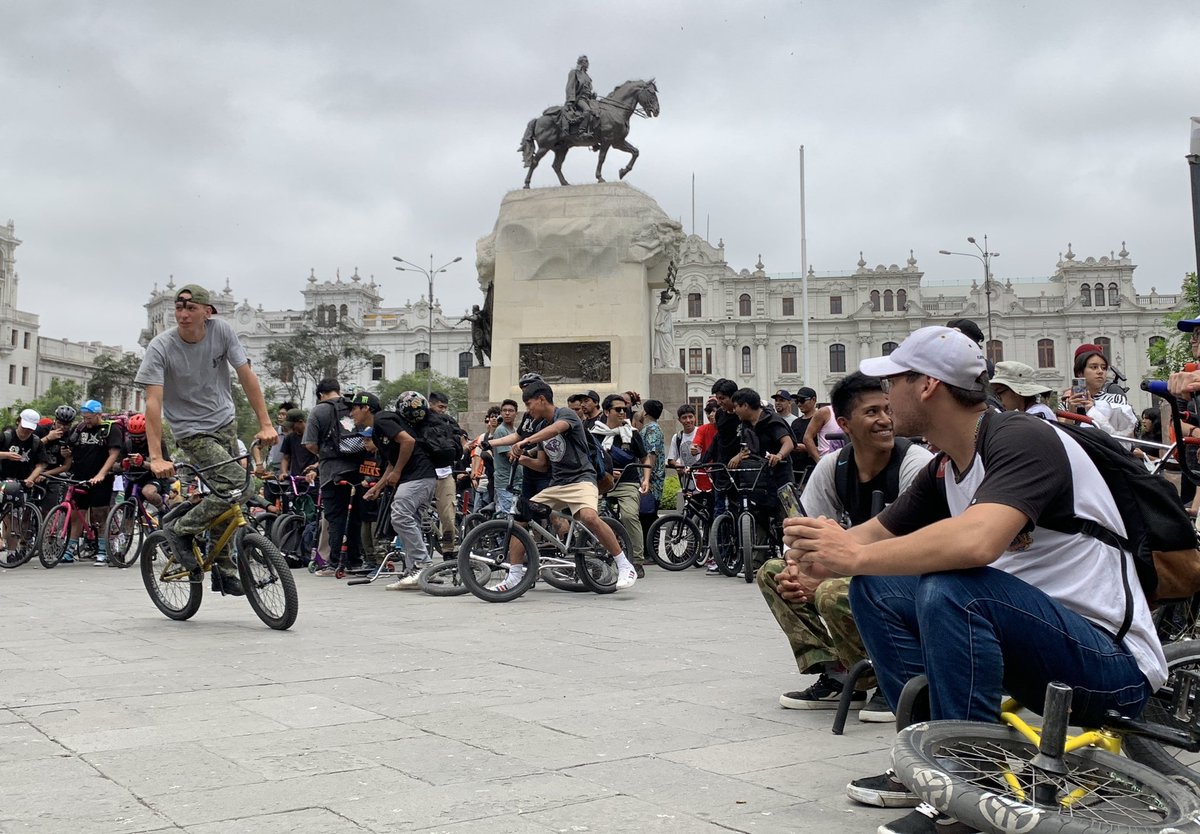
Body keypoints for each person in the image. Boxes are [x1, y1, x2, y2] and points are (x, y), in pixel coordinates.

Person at [786, 326, 1166, 834]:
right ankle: (930, 766)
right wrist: (818, 556)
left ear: (926, 386)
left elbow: (976, 543)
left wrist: (850, 555)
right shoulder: (946, 466)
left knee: (956, 587)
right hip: (1035, 649)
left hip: (1108, 666)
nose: (882, 400)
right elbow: (872, 539)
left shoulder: (1020, 437)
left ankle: (972, 792)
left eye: (890, 384)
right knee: (875, 587)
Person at [758, 373, 932, 721]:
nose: (885, 420)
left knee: (833, 591)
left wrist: (823, 573)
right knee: (773, 573)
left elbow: (916, 547)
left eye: (887, 410)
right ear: (844, 423)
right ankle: (839, 674)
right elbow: (804, 534)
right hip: (856, 565)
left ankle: (894, 678)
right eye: (871, 413)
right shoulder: (833, 467)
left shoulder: (916, 464)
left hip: (913, 577)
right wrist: (797, 566)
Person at [136, 284, 276, 592]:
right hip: (191, 430)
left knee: (230, 494)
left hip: (225, 422)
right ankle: (180, 531)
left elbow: (246, 375)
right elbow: (153, 402)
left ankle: (224, 570)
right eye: (179, 308)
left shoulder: (222, 332)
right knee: (242, 485)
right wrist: (156, 457)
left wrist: (265, 423)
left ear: (207, 312)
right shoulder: (161, 347)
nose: (183, 314)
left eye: (190, 308)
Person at [506, 381, 638, 591]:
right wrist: (521, 459)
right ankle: (514, 576)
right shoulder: (540, 427)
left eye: (529, 404)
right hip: (557, 484)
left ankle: (624, 565)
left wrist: (525, 442)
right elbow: (542, 465)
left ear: (541, 400)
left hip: (582, 479)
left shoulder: (566, 414)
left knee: (588, 516)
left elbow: (556, 430)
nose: (528, 410)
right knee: (521, 517)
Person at [362, 390, 439, 588]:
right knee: (410, 520)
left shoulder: (381, 419)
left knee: (399, 516)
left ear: (366, 409)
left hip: (418, 476)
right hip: (421, 478)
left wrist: (397, 473)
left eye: (353, 408)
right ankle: (414, 571)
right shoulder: (380, 430)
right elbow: (392, 461)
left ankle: (423, 564)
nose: (351, 413)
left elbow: (408, 441)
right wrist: (378, 487)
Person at [303, 377, 368, 575]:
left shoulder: (319, 410)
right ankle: (356, 561)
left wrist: (323, 454)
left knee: (335, 518)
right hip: (358, 470)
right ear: (338, 390)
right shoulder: (352, 406)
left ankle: (335, 563)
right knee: (355, 516)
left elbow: (310, 443)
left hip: (332, 471)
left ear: (321, 394)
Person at [590, 393, 652, 573]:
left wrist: (646, 479)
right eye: (618, 409)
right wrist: (605, 472)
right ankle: (593, 556)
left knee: (629, 516)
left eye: (625, 409)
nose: (622, 413)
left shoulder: (632, 433)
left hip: (627, 483)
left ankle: (638, 560)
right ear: (606, 411)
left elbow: (644, 457)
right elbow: (588, 460)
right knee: (591, 517)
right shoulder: (594, 434)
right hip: (601, 484)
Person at [62, 400, 123, 565]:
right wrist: (66, 453)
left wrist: (101, 474)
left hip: (100, 479)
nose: (86, 421)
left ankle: (102, 550)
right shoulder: (79, 428)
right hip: (79, 476)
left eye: (89, 418)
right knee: (76, 515)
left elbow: (113, 454)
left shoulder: (110, 429)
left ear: (98, 415)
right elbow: (71, 451)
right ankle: (69, 551)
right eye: (84, 417)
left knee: (100, 515)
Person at [1061, 343, 1137, 439]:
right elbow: (1063, 438)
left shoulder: (1116, 399)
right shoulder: (1066, 403)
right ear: (1080, 373)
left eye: (1104, 367)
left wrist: (1093, 411)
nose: (1100, 371)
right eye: (1094, 367)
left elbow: (1128, 437)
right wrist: (1071, 412)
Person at [427, 391, 469, 553]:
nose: (442, 410)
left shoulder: (450, 423)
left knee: (448, 518)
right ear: (430, 404)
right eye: (440, 407)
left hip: (445, 475)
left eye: (445, 407)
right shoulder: (422, 422)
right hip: (426, 475)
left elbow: (459, 447)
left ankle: (448, 550)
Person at [638, 399, 666, 558]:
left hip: (652, 481)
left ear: (646, 412)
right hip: (650, 479)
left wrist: (645, 477)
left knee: (648, 516)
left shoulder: (652, 429)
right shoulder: (648, 428)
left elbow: (651, 454)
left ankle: (651, 553)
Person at [989, 360, 1055, 419]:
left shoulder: (1035, 416)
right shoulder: (1035, 412)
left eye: (999, 393)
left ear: (1016, 392)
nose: (999, 401)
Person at [492, 399, 523, 514]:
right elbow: (511, 456)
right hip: (505, 482)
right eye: (504, 410)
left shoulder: (515, 431)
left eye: (510, 410)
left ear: (516, 413)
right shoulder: (501, 431)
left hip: (517, 480)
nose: (507, 413)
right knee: (508, 515)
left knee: (517, 514)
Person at [562, 54, 599, 140]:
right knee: (587, 110)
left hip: (588, 99)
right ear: (580, 62)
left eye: (587, 61)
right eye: (585, 61)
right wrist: (570, 100)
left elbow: (588, 90)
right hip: (579, 98)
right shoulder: (574, 72)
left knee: (598, 113)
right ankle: (581, 132)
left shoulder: (587, 76)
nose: (587, 63)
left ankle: (595, 136)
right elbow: (570, 87)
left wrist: (592, 95)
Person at [789, 387, 819, 484]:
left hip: (814, 468)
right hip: (796, 470)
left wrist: (807, 448)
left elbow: (827, 447)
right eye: (797, 401)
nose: (799, 404)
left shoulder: (820, 420)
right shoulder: (795, 423)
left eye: (802, 400)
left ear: (813, 400)